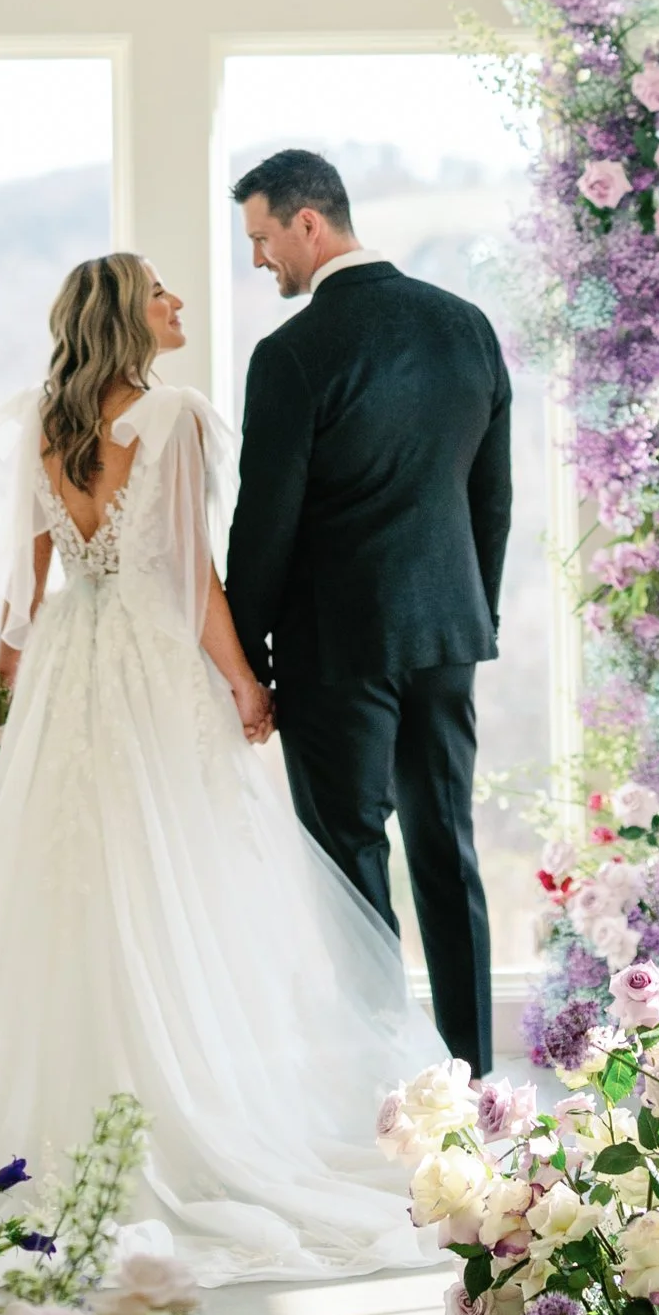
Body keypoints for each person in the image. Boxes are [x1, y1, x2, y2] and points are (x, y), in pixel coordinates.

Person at [0, 250, 435, 1281]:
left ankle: (62, 1112)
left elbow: (26, 584)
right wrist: (243, 681)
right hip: (150, 662)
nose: (178, 300)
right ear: (125, 316)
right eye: (161, 290)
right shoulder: (175, 413)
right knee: (171, 875)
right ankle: (168, 1104)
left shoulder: (45, 425)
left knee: (71, 884)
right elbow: (194, 578)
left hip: (67, 666)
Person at [226, 149, 512, 1079]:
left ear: (309, 224)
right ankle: (470, 1084)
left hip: (333, 645)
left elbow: (262, 522)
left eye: (263, 239)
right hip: (447, 636)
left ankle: (390, 1088)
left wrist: (245, 653)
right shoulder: (465, 328)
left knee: (350, 866)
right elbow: (492, 499)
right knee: (446, 848)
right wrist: (472, 614)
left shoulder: (293, 354)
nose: (260, 260)